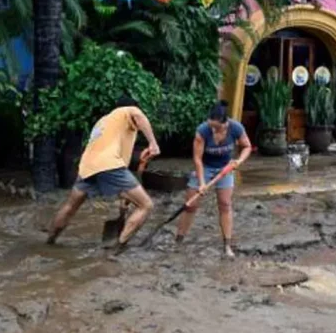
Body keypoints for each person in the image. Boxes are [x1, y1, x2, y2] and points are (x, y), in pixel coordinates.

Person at [46, 95, 161, 251]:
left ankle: (49, 241)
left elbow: (121, 166)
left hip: (88, 166)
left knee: (70, 206)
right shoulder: (127, 112)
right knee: (146, 205)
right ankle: (117, 250)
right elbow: (137, 114)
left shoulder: (104, 122)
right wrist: (153, 143)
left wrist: (124, 199)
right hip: (108, 164)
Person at [174, 101, 252, 258]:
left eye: (216, 127)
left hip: (225, 168)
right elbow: (197, 159)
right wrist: (202, 182)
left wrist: (238, 162)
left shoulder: (236, 128)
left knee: (225, 204)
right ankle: (178, 242)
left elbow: (247, 146)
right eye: (211, 126)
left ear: (225, 123)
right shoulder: (202, 131)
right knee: (191, 205)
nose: (213, 130)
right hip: (205, 167)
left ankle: (227, 246)